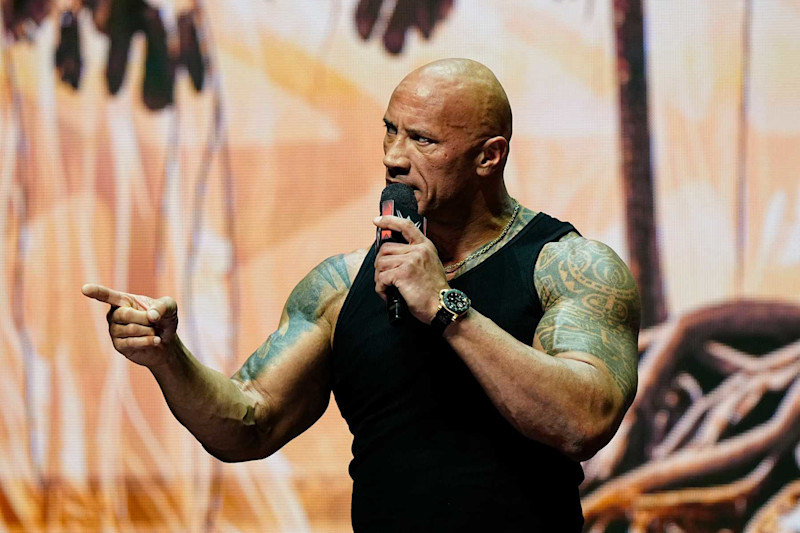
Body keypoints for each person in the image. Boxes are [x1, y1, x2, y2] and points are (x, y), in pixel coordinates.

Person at [82, 58, 640, 531]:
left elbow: (583, 423)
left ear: (488, 156)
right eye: (390, 130)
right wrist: (166, 356)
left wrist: (447, 310)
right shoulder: (340, 286)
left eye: (422, 139)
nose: (395, 157)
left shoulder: (565, 264)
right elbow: (248, 425)